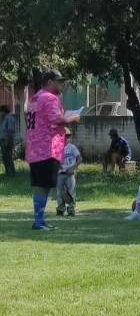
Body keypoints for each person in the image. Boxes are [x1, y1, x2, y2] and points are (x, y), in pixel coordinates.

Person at [25, 70, 80, 230]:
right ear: (49, 82)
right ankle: (39, 222)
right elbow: (57, 119)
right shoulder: (49, 98)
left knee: (40, 186)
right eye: (59, 81)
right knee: (44, 186)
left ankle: (39, 220)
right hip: (47, 148)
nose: (62, 84)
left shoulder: (34, 98)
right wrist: (74, 117)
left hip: (34, 149)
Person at [56, 127, 81, 217]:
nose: (67, 138)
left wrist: (72, 168)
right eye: (65, 136)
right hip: (60, 174)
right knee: (59, 192)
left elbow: (79, 159)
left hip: (70, 174)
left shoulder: (72, 148)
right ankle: (60, 209)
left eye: (68, 136)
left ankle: (71, 209)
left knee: (71, 192)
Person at [0, 104, 17, 176]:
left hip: (7, 140)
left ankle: (12, 172)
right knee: (4, 157)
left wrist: (7, 141)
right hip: (3, 140)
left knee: (8, 157)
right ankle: (7, 171)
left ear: (3, 111)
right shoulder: (4, 119)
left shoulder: (9, 118)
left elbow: (10, 131)